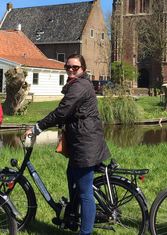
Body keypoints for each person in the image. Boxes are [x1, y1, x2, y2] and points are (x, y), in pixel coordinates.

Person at [24, 54, 111, 235]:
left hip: (85, 144)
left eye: (75, 67)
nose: (71, 70)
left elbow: (61, 112)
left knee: (85, 192)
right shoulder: (77, 84)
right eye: (68, 67)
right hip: (80, 141)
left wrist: (38, 127)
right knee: (72, 176)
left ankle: (84, 232)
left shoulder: (80, 86)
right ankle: (73, 215)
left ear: (83, 70)